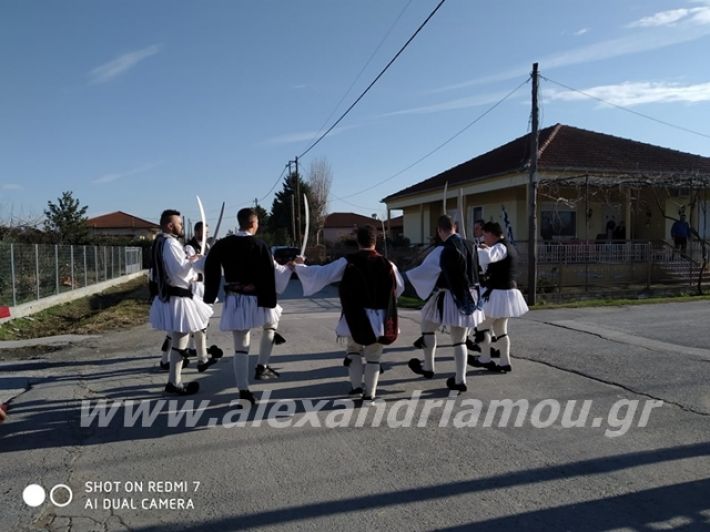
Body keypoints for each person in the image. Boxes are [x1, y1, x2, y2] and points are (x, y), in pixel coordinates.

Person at [292, 225, 404, 401]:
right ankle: (370, 394)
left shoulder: (348, 262)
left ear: (357, 241)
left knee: (353, 350)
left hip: (355, 315)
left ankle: (356, 387)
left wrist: (301, 266)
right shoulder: (388, 264)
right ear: (375, 241)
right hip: (381, 317)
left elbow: (322, 274)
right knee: (374, 355)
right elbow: (398, 288)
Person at [203, 208, 291, 405]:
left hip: (234, 299)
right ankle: (262, 365)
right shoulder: (260, 245)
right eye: (258, 222)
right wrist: (290, 268)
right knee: (271, 323)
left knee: (241, 346)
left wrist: (209, 295)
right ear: (253, 223)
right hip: (256, 299)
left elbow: (209, 266)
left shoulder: (222, 245)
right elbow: (271, 272)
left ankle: (244, 390)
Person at [406, 215, 484, 393]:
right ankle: (460, 379)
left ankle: (429, 366)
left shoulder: (442, 250)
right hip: (472, 296)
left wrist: (406, 276)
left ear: (440, 230)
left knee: (427, 326)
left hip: (449, 296)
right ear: (454, 227)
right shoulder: (472, 244)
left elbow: (425, 271)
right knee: (460, 341)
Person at [148, 209, 215, 395]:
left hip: (171, 295)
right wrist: (195, 267)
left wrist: (189, 261)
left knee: (180, 336)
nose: (182, 227)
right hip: (177, 296)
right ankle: (174, 382)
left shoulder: (159, 242)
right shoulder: (170, 243)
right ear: (170, 225)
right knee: (181, 336)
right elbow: (180, 271)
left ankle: (174, 380)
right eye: (180, 223)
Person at [157, 221, 222, 371]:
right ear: (197, 232)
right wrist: (201, 267)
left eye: (207, 231)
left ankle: (201, 357)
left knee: (200, 326)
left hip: (201, 289)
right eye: (204, 231)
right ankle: (166, 359)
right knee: (176, 331)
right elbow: (188, 271)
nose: (206, 234)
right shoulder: (188, 247)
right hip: (192, 290)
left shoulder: (205, 246)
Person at [468, 222, 528, 373]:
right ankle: (504, 362)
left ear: (491, 233)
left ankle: (485, 358)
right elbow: (493, 255)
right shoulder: (508, 246)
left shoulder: (500, 247)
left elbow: (489, 256)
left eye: (485, 235)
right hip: (507, 294)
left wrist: (474, 250)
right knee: (501, 330)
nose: (483, 238)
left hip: (498, 294)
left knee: (482, 328)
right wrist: (485, 248)